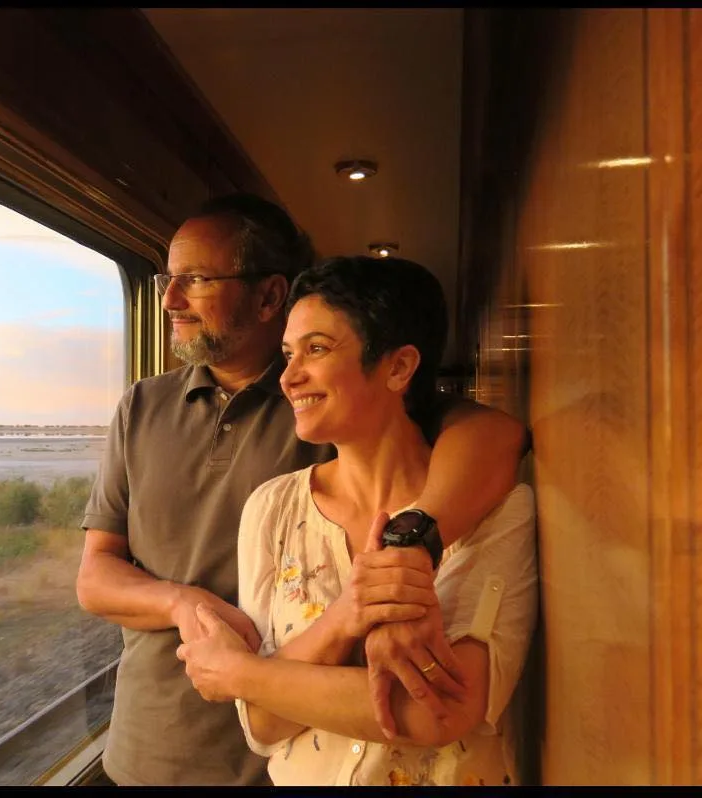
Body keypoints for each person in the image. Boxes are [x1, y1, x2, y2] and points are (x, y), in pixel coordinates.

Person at [76, 194, 530, 786]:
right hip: (147, 743)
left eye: (197, 279)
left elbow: (495, 435)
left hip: (271, 762)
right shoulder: (142, 406)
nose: (170, 300)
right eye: (166, 279)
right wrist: (182, 602)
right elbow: (95, 576)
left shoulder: (337, 411)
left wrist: (408, 549)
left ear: (268, 296)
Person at [175, 254, 538, 786]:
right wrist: (346, 617)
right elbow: (262, 724)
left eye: (316, 349)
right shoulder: (272, 509)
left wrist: (238, 673)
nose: (289, 378)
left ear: (398, 367)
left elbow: (436, 711)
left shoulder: (495, 508)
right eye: (287, 353)